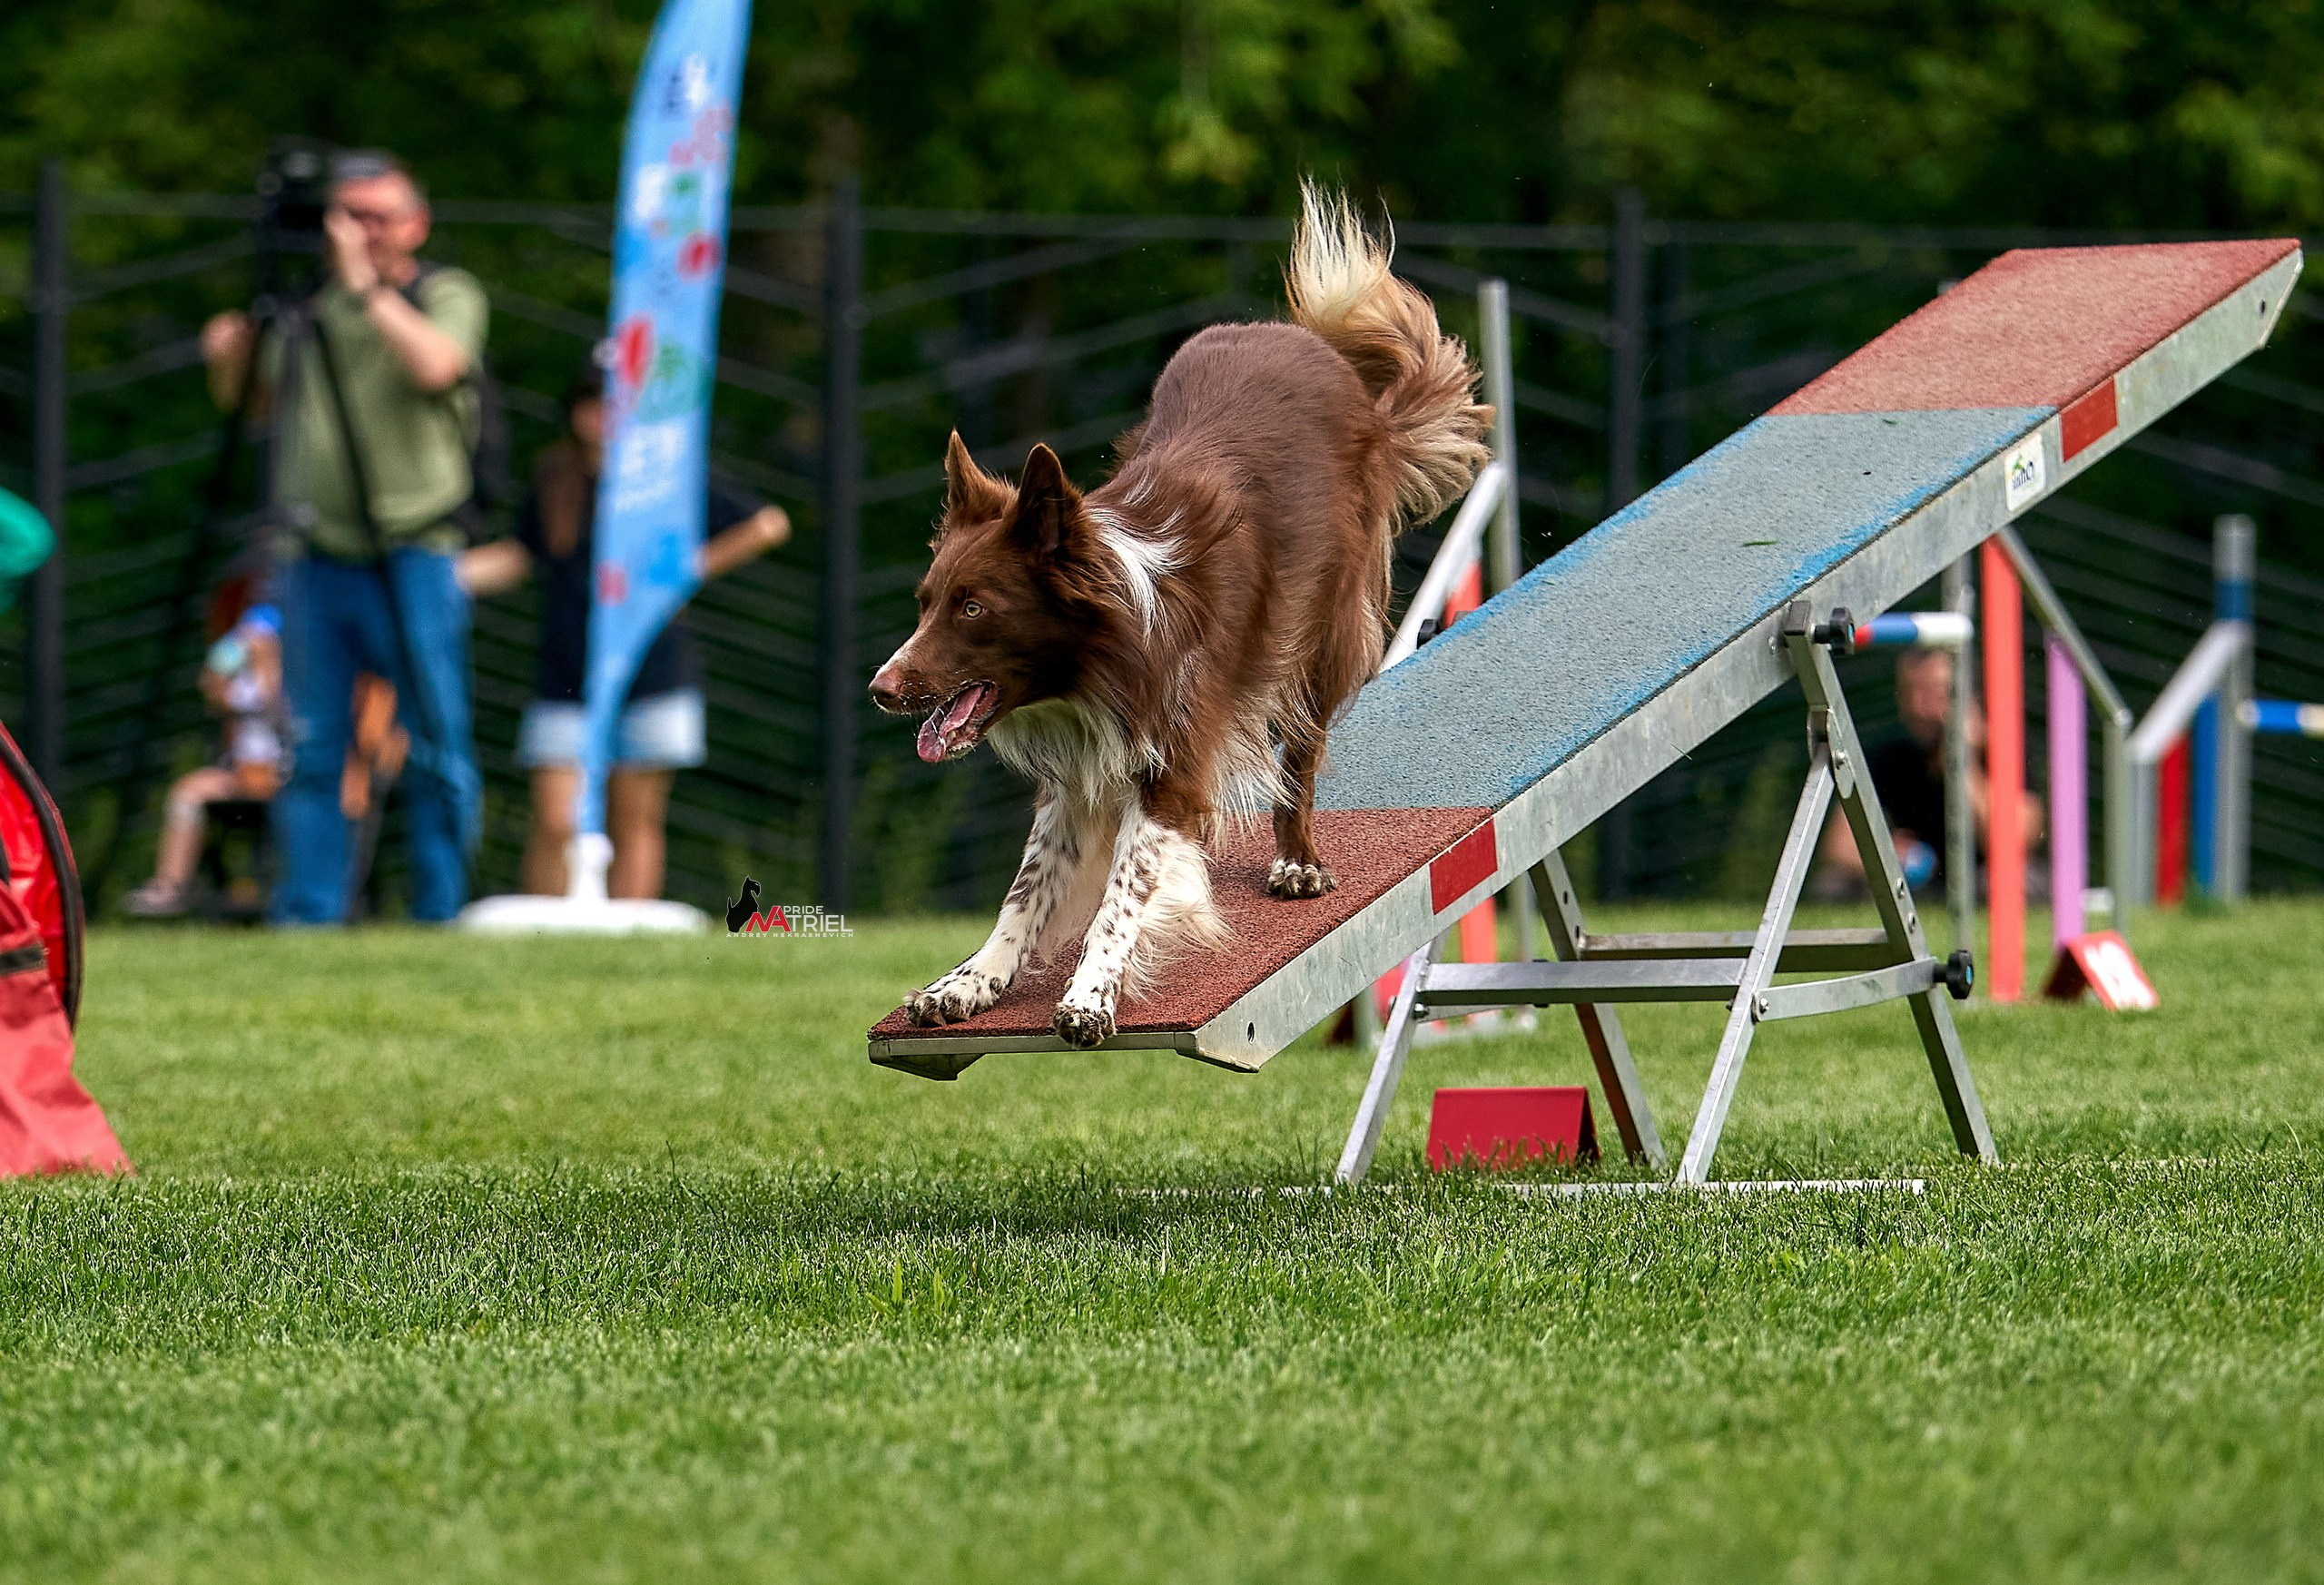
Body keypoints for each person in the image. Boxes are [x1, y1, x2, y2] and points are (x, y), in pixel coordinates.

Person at [200, 149, 487, 925]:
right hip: (313, 556)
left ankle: (441, 912)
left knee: (434, 744)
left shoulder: (445, 293)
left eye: (378, 217)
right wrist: (230, 360)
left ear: (416, 224)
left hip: (414, 548)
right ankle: (308, 914)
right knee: (314, 744)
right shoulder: (306, 308)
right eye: (347, 216)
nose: (360, 232)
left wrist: (366, 290)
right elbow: (255, 410)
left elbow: (438, 367)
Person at [458, 365, 789, 900]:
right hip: (567, 673)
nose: (599, 414)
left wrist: (686, 571)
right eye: (589, 401)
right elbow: (522, 554)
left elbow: (768, 522)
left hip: (654, 667)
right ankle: (541, 937)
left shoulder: (666, 475)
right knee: (554, 820)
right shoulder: (555, 476)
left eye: (612, 400)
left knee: (635, 821)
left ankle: (627, 944)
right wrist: (443, 576)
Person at [1816, 646, 2043, 896]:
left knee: (2010, 881)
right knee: (1832, 883)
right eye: (1909, 692)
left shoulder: (2001, 753)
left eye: (1934, 693)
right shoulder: (1889, 758)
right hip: (1914, 886)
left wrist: (1962, 761)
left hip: (1981, 884)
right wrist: (1889, 852)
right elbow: (1838, 848)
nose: (1918, 707)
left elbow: (2013, 842)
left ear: (1968, 700)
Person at [122, 596, 289, 918]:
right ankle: (170, 886)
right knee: (185, 793)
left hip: (286, 776)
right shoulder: (245, 676)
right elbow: (212, 690)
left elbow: (275, 706)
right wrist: (225, 660)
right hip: (244, 773)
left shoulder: (301, 671)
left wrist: (266, 661)